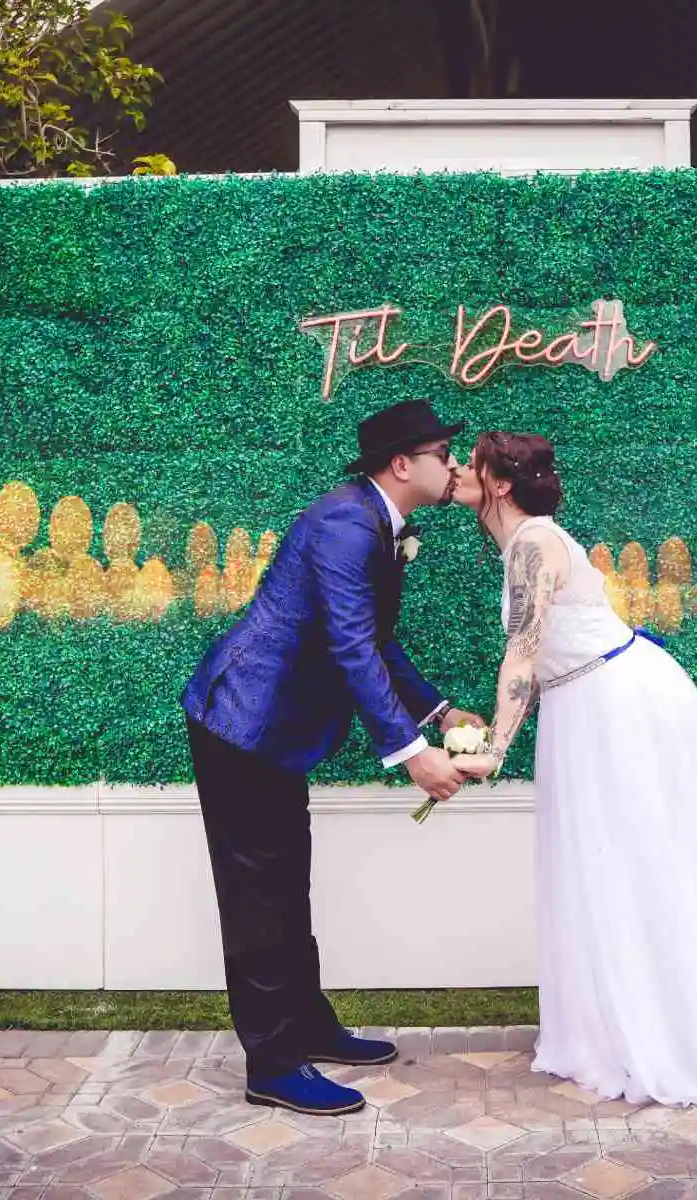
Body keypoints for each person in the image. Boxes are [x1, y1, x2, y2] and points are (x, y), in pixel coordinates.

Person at [446, 431, 697, 1106]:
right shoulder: (525, 539)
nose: (459, 468)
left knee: (634, 861)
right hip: (592, 701)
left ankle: (666, 1034)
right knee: (606, 862)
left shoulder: (532, 543)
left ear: (497, 483)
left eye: (474, 462)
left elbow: (522, 655)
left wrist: (493, 747)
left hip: (619, 706)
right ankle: (608, 1025)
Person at [181, 398, 483, 1116]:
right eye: (445, 454)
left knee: (288, 884)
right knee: (258, 900)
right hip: (242, 727)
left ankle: (308, 1027)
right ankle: (272, 1065)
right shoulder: (347, 526)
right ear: (403, 464)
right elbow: (351, 646)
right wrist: (414, 755)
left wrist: (438, 712)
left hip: (276, 736)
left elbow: (375, 638)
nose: (455, 466)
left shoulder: (377, 519)